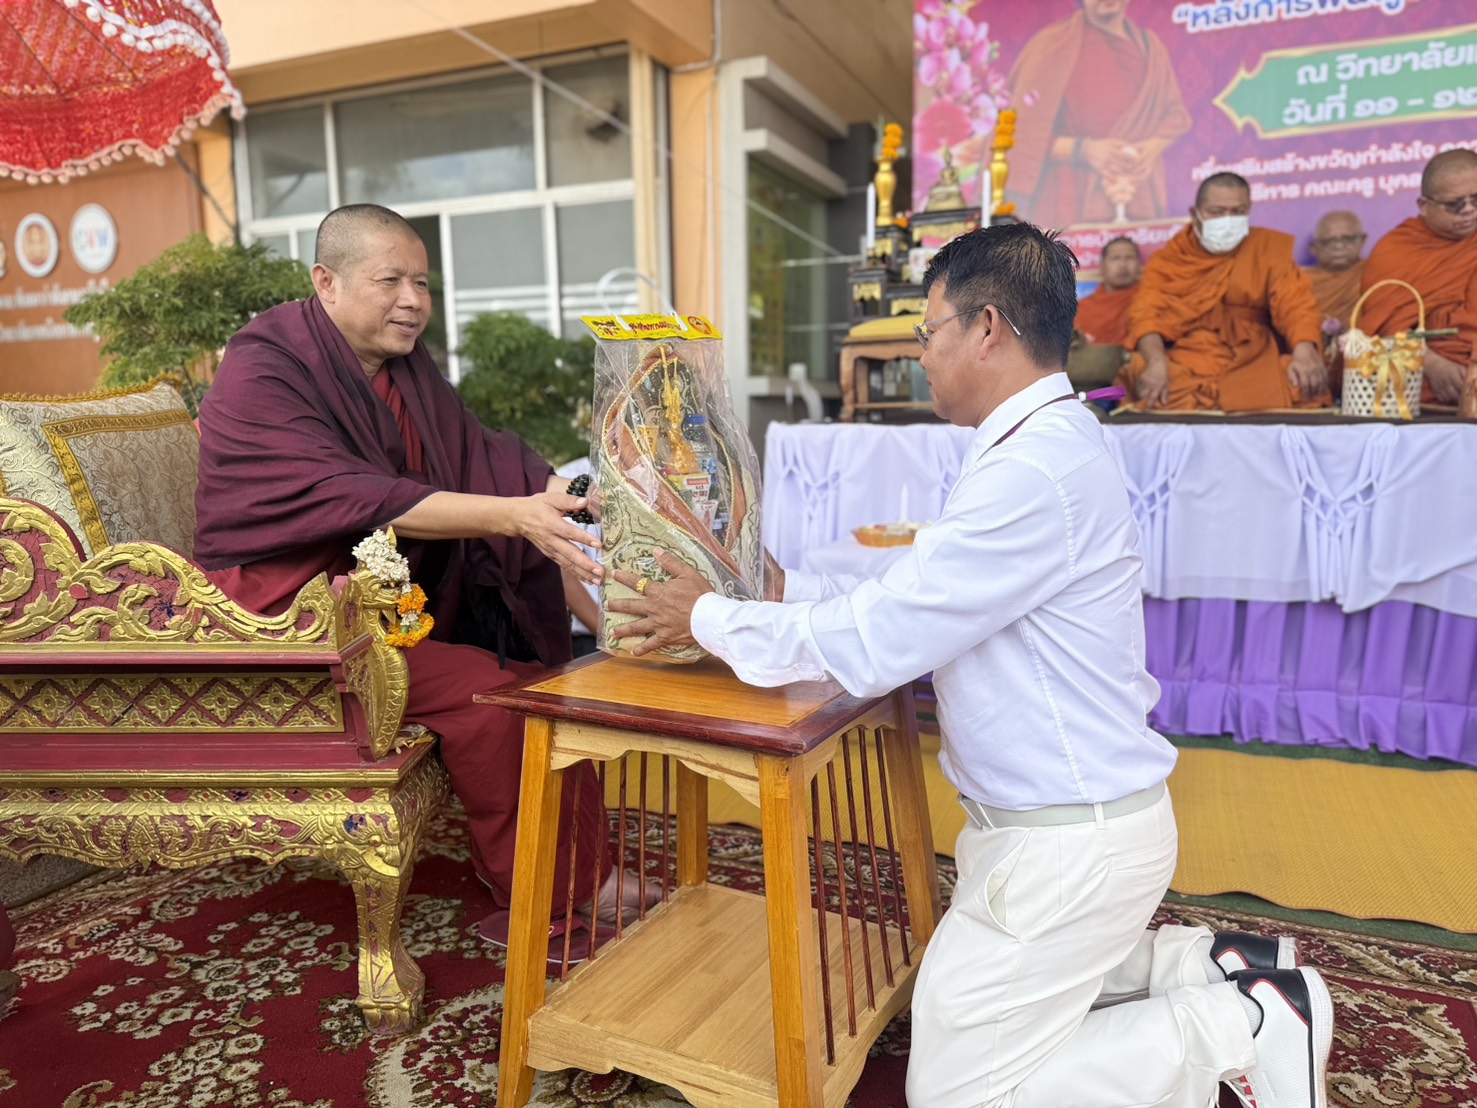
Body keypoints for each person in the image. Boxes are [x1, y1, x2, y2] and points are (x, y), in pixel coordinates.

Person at [607, 223, 1334, 1108]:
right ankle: (1203, 964)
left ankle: (1248, 1023)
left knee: (958, 1094)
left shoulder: (1035, 468)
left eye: (927, 331)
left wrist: (708, 617)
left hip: (1069, 845)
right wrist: (785, 591)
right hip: (1046, 830)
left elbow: (882, 640)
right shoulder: (1039, 441)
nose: (921, 354)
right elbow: (923, 592)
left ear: (985, 328)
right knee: (968, 1007)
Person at [194, 203, 652, 961]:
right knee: (494, 701)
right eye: (391, 281)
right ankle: (545, 894)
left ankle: (585, 874)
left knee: (540, 681)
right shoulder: (264, 365)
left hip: (376, 602)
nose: (413, 301)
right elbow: (347, 494)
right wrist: (513, 517)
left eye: (423, 283)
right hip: (289, 616)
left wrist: (577, 495)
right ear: (326, 282)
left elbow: (480, 456)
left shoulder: (403, 369)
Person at [1120, 172, 1327, 411]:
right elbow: (1146, 316)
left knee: (1304, 382)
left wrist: (1304, 349)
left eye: (1238, 212)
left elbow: (1296, 304)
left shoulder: (1268, 249)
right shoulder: (1170, 259)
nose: (1228, 220)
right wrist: (1156, 363)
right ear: (1195, 213)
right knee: (1142, 373)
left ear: (1249, 210)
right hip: (1190, 357)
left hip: (1255, 356)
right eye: (1217, 212)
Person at [1006, 0, 1190, 227]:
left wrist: (1149, 149)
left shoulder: (1150, 47)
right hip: (1070, 198)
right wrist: (1084, 150)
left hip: (1139, 192)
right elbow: (1019, 135)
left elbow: (1176, 114)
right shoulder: (1052, 45)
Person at [1358, 148, 1477, 407]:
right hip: (1425, 374)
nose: (1469, 210)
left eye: (1476, 200)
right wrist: (1431, 364)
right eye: (1455, 204)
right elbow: (1382, 329)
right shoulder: (1395, 250)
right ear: (1424, 206)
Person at [1303, 210, 1367, 331]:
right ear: (1314, 248)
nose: (1338, 246)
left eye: (1348, 239)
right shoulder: (1298, 281)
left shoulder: (1375, 273)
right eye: (1328, 241)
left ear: (1362, 241)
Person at [1074, 235, 1141, 345]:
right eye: (1115, 258)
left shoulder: (1150, 300)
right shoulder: (1082, 309)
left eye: (1130, 257)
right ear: (1102, 266)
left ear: (1139, 265)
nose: (1123, 265)